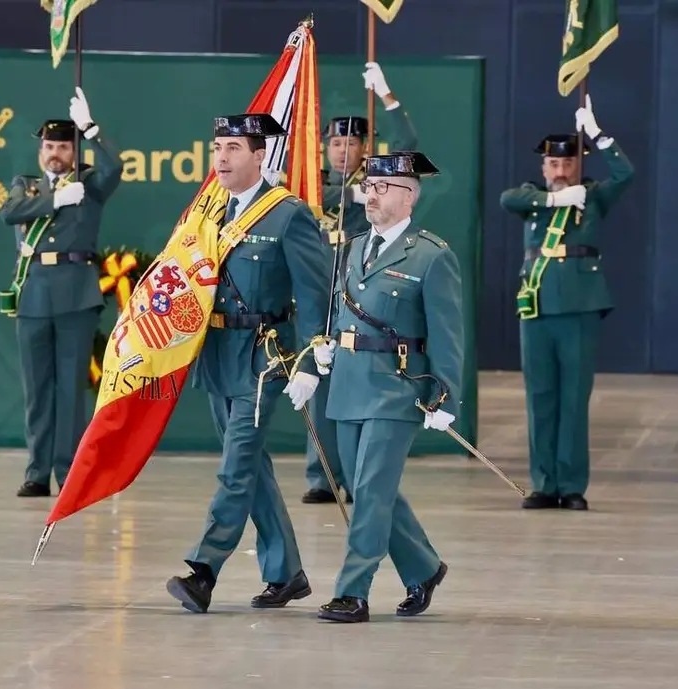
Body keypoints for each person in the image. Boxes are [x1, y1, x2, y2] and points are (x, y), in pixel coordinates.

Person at [165, 113, 330, 613]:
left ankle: (204, 570)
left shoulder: (287, 214)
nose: (222, 157)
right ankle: (286, 574)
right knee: (252, 468)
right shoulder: (209, 212)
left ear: (261, 156)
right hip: (217, 355)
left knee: (236, 468)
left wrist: (310, 360)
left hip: (264, 358)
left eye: (234, 147)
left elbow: (315, 290)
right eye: (217, 146)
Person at [309, 151, 462, 623]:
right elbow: (338, 310)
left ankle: (353, 591)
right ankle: (424, 566)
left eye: (381, 188)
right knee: (365, 487)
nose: (370, 195)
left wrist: (444, 394)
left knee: (371, 492)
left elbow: (448, 332)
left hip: (398, 387)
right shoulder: (352, 247)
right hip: (350, 383)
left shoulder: (432, 255)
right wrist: (323, 347)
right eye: (369, 186)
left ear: (409, 195)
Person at [498, 95, 634, 511]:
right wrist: (553, 199)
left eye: (568, 163)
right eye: (553, 164)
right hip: (536, 306)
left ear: (579, 165)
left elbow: (625, 173)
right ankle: (543, 482)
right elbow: (509, 199)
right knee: (540, 397)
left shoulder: (593, 198)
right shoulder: (534, 199)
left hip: (578, 305)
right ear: (543, 168)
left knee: (574, 398)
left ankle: (571, 484)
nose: (560, 170)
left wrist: (596, 132)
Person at [301, 61, 420, 506]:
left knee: (355, 381)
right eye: (335, 142)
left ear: (366, 146)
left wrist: (387, 97)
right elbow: (303, 194)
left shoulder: (378, 181)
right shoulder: (318, 181)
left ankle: (354, 474)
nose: (342, 150)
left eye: (351, 142)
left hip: (360, 290)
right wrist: (346, 193)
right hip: (318, 289)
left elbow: (408, 147)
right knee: (319, 378)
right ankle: (321, 475)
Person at [0, 87, 123, 497]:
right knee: (37, 390)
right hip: (33, 294)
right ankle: (36, 471)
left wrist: (92, 128)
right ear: (40, 150)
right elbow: (9, 212)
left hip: (75, 294)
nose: (55, 153)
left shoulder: (89, 183)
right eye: (49, 146)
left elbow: (115, 168)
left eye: (64, 146)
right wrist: (55, 199)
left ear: (74, 150)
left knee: (70, 389)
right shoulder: (27, 185)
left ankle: (69, 471)